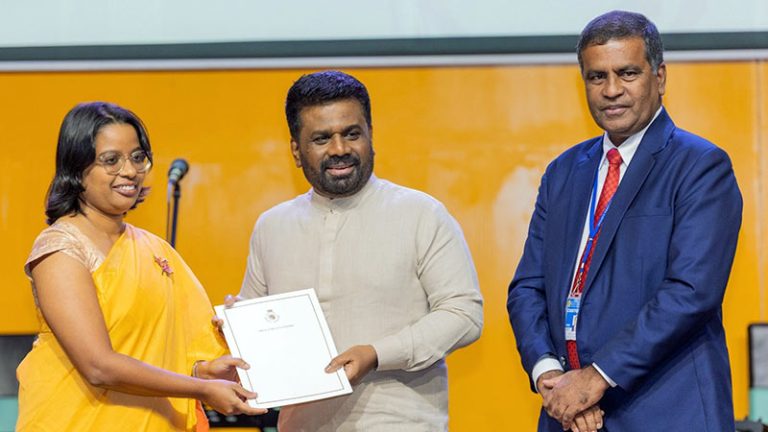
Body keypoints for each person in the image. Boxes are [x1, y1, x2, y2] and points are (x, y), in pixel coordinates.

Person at [507, 10, 742, 432]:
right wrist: (549, 376)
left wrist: (596, 378)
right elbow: (528, 286)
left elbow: (691, 292)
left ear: (660, 78)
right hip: (570, 414)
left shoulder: (700, 166)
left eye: (628, 73)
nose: (611, 90)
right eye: (597, 77)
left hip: (667, 412)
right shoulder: (564, 172)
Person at [235, 70, 483, 431]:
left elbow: (464, 315)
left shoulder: (420, 214)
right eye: (321, 138)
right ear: (296, 149)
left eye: (352, 134)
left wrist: (377, 354)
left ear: (370, 136)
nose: (339, 149)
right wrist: (237, 325)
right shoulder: (272, 227)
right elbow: (259, 329)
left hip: (400, 422)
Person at [17, 102, 266, 431]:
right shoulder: (61, 248)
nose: (130, 171)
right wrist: (201, 388)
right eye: (111, 160)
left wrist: (203, 373)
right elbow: (98, 366)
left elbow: (163, 356)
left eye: (137, 157)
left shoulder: (155, 250)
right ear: (77, 170)